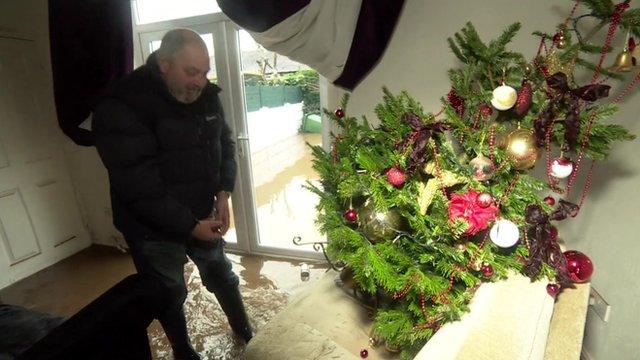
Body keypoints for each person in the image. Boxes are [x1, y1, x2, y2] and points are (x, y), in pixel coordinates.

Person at [92, 28, 252, 360]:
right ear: (164, 64)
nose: (200, 81)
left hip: (201, 211)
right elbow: (138, 185)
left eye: (205, 72)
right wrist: (190, 225)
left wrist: (223, 193)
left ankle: (246, 333)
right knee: (168, 293)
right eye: (191, 72)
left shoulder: (205, 94)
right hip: (150, 229)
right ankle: (183, 352)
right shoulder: (122, 104)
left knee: (222, 275)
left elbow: (224, 143)